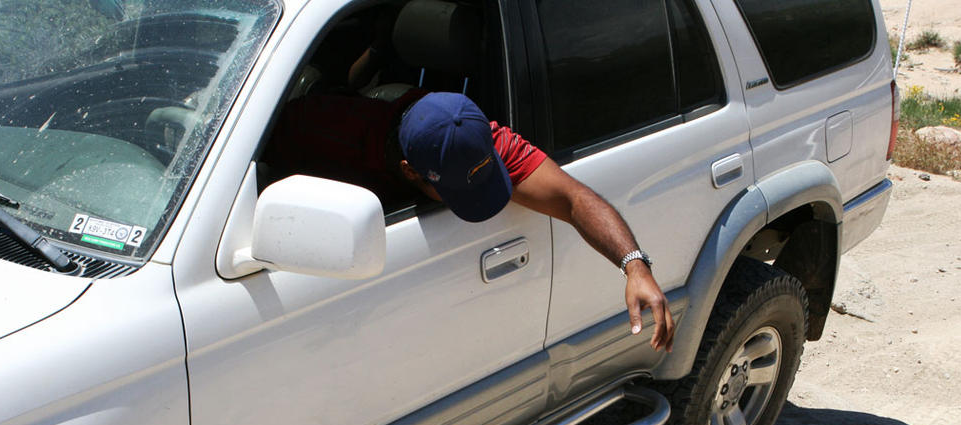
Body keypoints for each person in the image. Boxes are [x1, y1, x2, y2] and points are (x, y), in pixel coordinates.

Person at [266, 90, 675, 351]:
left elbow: (573, 199)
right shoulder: (318, 134)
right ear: (411, 172)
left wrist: (633, 265)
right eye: (460, 191)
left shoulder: (475, 136)